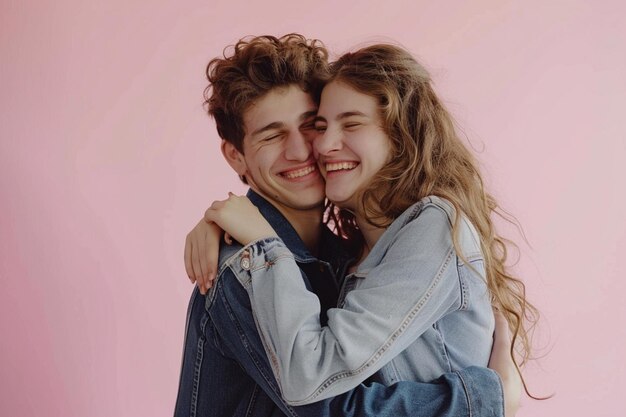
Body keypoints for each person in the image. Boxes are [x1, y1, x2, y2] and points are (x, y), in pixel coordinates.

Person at [176, 34, 520, 417]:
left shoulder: (346, 256)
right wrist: (486, 397)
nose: (306, 150)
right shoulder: (243, 267)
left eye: (312, 125)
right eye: (272, 135)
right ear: (236, 157)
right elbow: (330, 409)